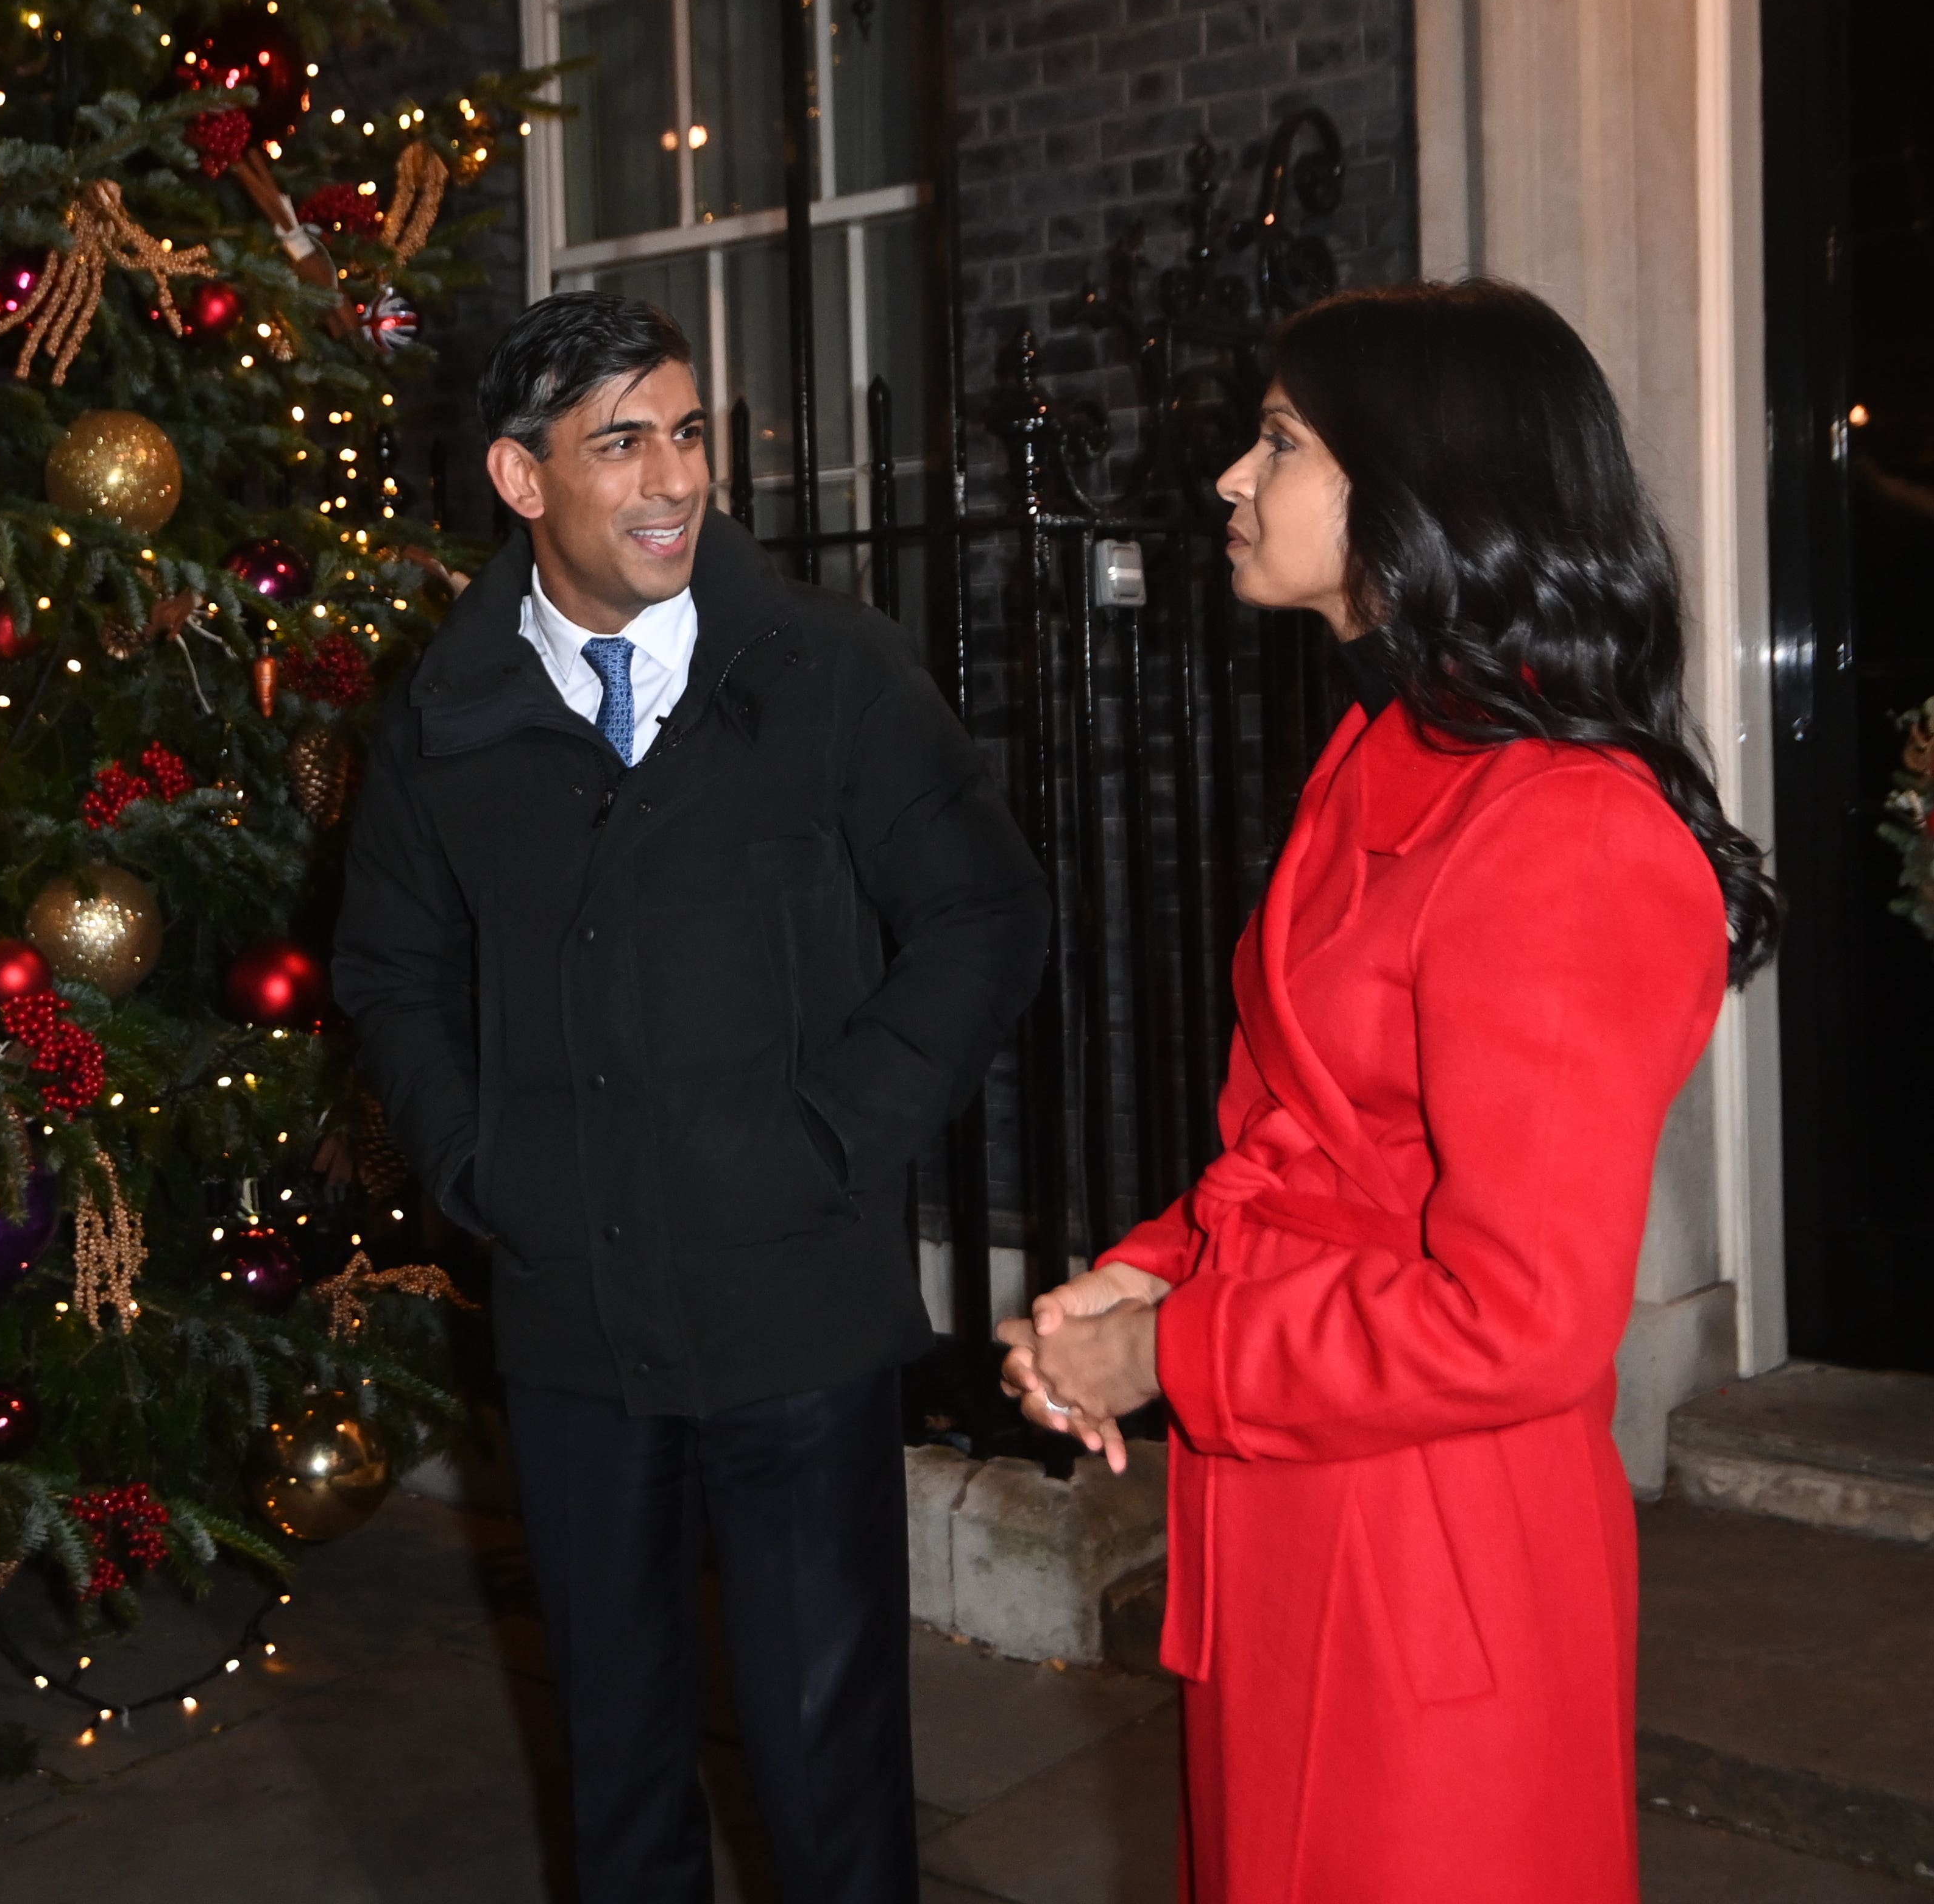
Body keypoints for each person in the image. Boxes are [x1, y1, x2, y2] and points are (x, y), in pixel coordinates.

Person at [1001, 280, 1779, 1904]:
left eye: (1279, 442)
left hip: (1434, 1559)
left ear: (1420, 489)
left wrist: (1174, 1349)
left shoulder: (1564, 832)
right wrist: (1154, 1264)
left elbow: (1521, 1316)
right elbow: (1313, 1134)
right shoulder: (1390, 753)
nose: (1231, 478)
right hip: (1296, 1506)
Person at [335, 290, 1047, 1904]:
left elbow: (986, 916)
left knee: (827, 1766)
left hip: (796, 1311)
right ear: (522, 483)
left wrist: (830, 1136)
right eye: (622, 443)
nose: (673, 481)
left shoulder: (830, 671)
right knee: (619, 1763)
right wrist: (480, 1161)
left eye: (689, 432)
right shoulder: (447, 715)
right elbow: (388, 969)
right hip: (575, 1324)